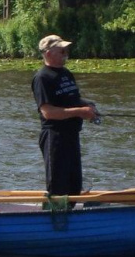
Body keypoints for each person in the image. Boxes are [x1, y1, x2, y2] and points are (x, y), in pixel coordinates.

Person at [31, 35, 98, 196]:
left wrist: (87, 105)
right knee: (58, 187)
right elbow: (48, 112)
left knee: (74, 185)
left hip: (72, 135)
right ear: (48, 54)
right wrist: (81, 112)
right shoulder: (42, 78)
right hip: (55, 137)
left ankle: (72, 216)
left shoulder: (66, 73)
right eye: (61, 51)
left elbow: (72, 99)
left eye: (66, 51)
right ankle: (55, 218)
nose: (65, 54)